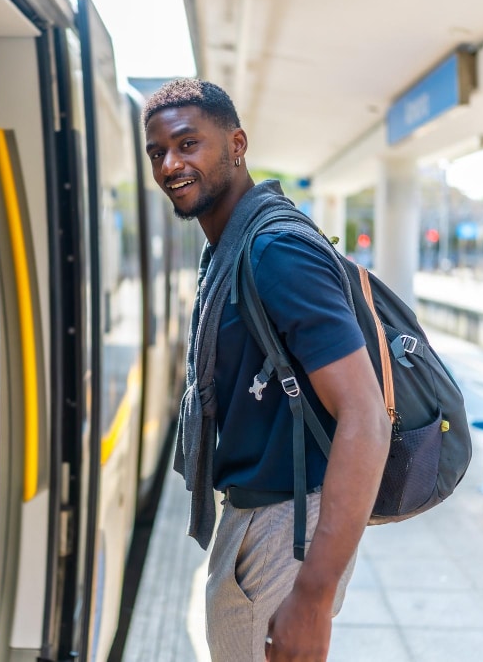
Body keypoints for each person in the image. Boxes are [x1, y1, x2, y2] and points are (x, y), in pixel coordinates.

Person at [142, 78, 391, 662]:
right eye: (158, 152)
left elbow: (366, 416)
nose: (170, 165)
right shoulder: (230, 246)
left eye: (187, 144)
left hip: (288, 527)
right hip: (266, 515)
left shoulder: (273, 250)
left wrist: (313, 592)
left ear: (236, 144)